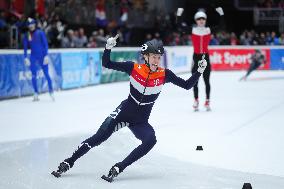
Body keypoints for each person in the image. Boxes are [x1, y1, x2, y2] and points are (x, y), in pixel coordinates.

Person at [51, 35, 207, 182]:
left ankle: (119, 167)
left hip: (140, 121)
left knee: (150, 140)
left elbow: (187, 86)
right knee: (99, 138)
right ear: (145, 56)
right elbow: (107, 64)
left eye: (159, 57)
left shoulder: (165, 74)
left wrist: (199, 72)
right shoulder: (133, 68)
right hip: (123, 113)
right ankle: (69, 162)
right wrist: (108, 48)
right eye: (153, 57)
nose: (156, 60)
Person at [176, 7, 224, 111]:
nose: (201, 21)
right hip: (196, 58)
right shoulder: (193, 30)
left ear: (205, 20)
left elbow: (220, 26)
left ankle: (207, 101)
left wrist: (221, 14)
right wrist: (179, 15)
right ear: (196, 20)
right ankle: (196, 100)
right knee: (195, 81)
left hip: (205, 57)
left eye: (203, 19)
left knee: (207, 81)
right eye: (199, 19)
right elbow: (179, 26)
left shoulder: (208, 30)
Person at [23, 18, 54, 101]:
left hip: (42, 56)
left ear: (35, 24)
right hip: (33, 56)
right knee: (33, 75)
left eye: (32, 24)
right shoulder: (27, 35)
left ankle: (51, 91)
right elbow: (25, 47)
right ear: (28, 26)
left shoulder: (40, 33)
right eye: (29, 24)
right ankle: (36, 92)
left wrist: (46, 55)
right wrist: (25, 57)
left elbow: (45, 44)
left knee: (46, 73)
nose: (31, 26)